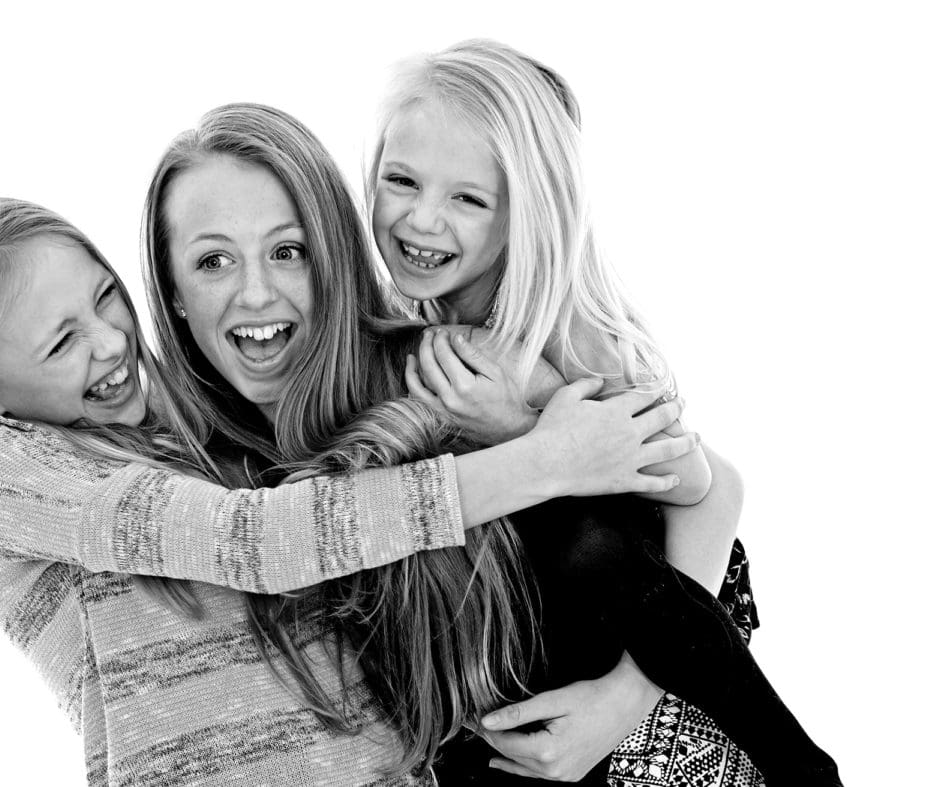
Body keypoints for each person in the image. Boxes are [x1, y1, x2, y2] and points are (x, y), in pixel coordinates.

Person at [0, 196, 693, 786]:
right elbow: (259, 542)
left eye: (103, 296)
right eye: (62, 341)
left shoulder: (193, 428)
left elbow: (700, 483)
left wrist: (631, 693)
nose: (111, 342)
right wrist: (547, 458)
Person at [145, 102, 840, 785]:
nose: (257, 292)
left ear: (329, 258)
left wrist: (624, 702)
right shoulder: (196, 483)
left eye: (288, 251)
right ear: (173, 289)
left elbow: (700, 496)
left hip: (669, 744)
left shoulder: (456, 369)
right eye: (213, 261)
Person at [366, 40, 841, 784]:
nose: (423, 220)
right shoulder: (398, 326)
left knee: (571, 530)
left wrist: (534, 422)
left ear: (527, 212)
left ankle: (806, 769)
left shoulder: (566, 334)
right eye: (402, 180)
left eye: (468, 198)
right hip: (517, 643)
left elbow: (707, 488)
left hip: (660, 620)